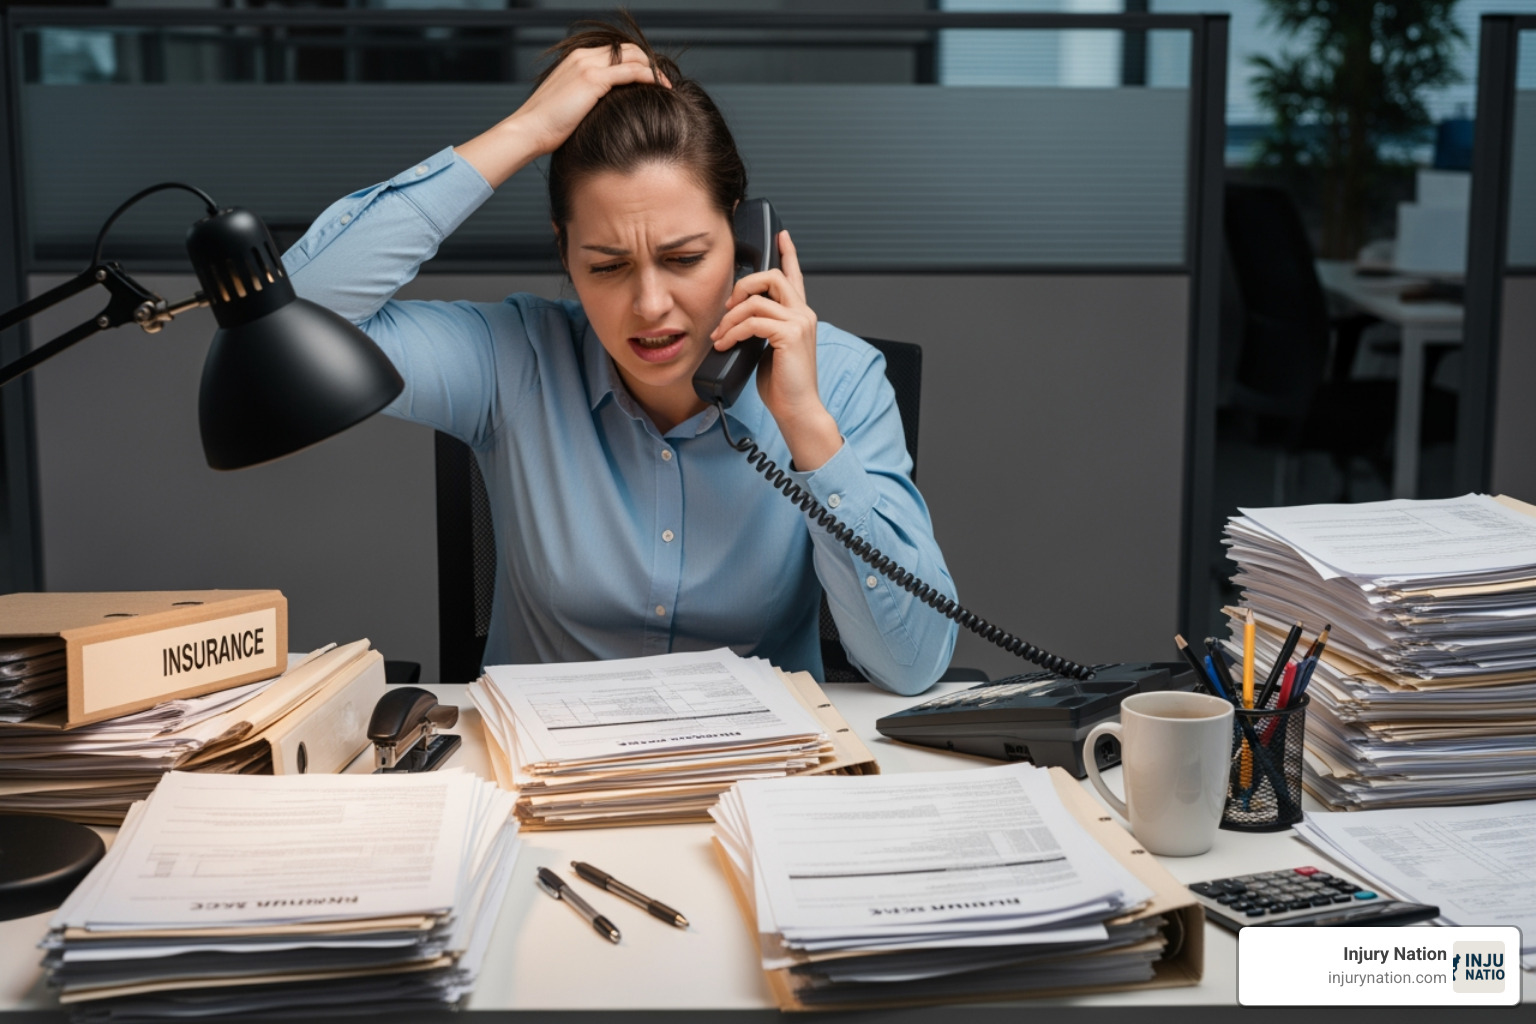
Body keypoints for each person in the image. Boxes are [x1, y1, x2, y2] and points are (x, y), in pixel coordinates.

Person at [284, 13, 956, 696]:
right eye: (607, 266)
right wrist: (525, 132)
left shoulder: (839, 380)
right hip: (545, 760)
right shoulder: (515, 360)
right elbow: (291, 319)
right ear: (564, 252)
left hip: (759, 761)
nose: (650, 304)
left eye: (684, 258)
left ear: (744, 239)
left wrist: (807, 428)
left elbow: (913, 664)